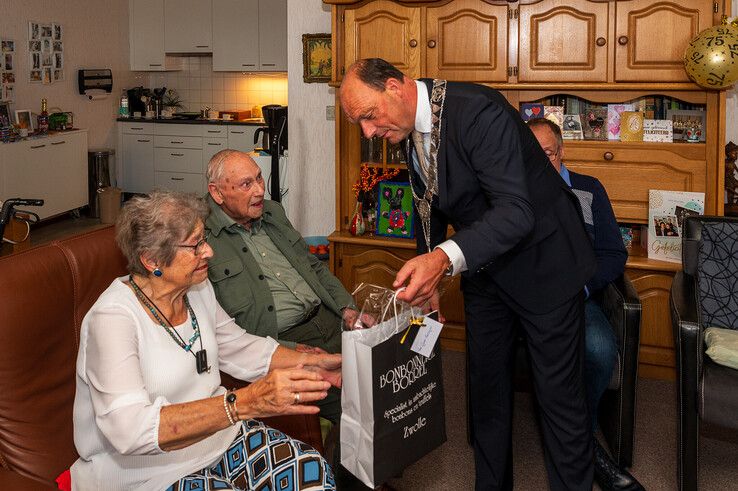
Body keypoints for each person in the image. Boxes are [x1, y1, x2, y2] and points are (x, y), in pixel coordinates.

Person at [339, 58, 596, 491]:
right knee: (486, 397)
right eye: (359, 123)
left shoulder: (479, 111)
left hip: (544, 266)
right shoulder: (406, 126)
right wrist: (430, 283)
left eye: (368, 116)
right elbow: (429, 205)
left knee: (559, 403)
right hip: (486, 269)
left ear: (395, 86)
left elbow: (516, 213)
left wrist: (440, 261)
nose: (368, 132)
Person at [72, 190, 340, 491]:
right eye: (195, 245)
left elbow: (239, 348)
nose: (209, 252)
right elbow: (129, 431)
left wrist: (317, 363)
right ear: (151, 260)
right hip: (145, 472)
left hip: (218, 440)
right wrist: (245, 403)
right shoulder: (112, 320)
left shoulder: (197, 289)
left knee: (310, 471)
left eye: (204, 239)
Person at [528, 117, 644, 491]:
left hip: (578, 295)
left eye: (546, 153)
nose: (538, 161)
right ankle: (587, 450)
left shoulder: (589, 189)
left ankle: (582, 435)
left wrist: (584, 288)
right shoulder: (512, 190)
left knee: (598, 347)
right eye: (530, 154)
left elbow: (613, 252)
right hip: (531, 302)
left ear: (562, 152)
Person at [204, 150, 357, 425]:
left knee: (383, 387)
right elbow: (215, 328)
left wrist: (347, 309)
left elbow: (313, 266)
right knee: (356, 413)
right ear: (217, 193)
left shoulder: (272, 212)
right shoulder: (201, 240)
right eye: (246, 184)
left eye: (259, 178)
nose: (260, 190)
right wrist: (290, 350)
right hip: (286, 342)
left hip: (330, 320)